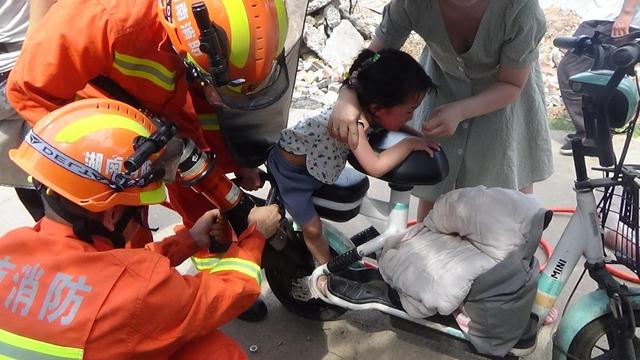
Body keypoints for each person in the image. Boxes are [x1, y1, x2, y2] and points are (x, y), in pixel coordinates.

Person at [6, 0, 292, 321]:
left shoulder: (204, 30)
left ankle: (216, 270)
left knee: (199, 189)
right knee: (125, 236)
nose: (215, 93)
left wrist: (237, 159)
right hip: (105, 134)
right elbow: (28, 91)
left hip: (159, 109)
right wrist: (111, 151)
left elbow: (206, 104)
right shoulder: (103, 18)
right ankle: (141, 303)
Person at [0, 99, 281, 359]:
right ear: (112, 215)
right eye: (140, 210)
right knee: (216, 352)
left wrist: (189, 240)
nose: (142, 217)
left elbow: (111, 274)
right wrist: (255, 236)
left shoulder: (11, 246)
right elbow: (226, 294)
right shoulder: (135, 296)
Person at [327, 0, 553, 222]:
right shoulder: (410, 4)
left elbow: (511, 85)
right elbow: (371, 59)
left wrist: (461, 111)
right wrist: (347, 97)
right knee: (436, 187)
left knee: (504, 198)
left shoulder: (521, 10)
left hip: (504, 100)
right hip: (443, 87)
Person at [268, 49, 439, 264]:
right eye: (410, 110)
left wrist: (420, 137)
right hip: (292, 176)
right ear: (377, 108)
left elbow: (394, 122)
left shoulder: (367, 104)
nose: (412, 117)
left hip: (315, 165)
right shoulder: (353, 125)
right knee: (312, 229)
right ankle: (326, 273)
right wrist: (411, 144)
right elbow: (375, 166)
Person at [557, 0, 640, 155]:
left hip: (614, 19)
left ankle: (591, 136)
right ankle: (599, 135)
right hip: (605, 16)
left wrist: (626, 14)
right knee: (603, 78)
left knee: (570, 71)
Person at [0, 0, 56, 221]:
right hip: (20, 66)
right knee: (24, 177)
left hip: (26, 63)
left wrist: (34, 58)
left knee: (66, 184)